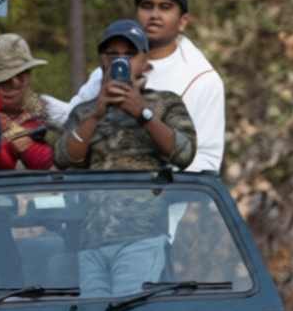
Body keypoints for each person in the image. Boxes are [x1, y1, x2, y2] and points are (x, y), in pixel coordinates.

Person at [56, 19, 197, 295]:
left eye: (129, 55)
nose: (120, 61)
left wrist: (142, 112)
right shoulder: (85, 111)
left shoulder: (165, 102)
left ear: (145, 62)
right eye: (112, 54)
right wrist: (97, 113)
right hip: (91, 240)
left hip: (141, 237)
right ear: (102, 61)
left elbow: (185, 154)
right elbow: (63, 157)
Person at [64, 0, 224, 172]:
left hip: (163, 195)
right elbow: (69, 125)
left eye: (165, 7)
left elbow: (205, 159)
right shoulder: (109, 68)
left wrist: (144, 113)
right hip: (100, 192)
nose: (154, 15)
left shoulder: (202, 79)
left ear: (183, 21)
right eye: (147, 6)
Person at [0, 34, 54, 170]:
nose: (15, 83)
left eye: (21, 74)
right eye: (2, 79)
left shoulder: (45, 113)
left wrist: (18, 137)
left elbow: (54, 166)